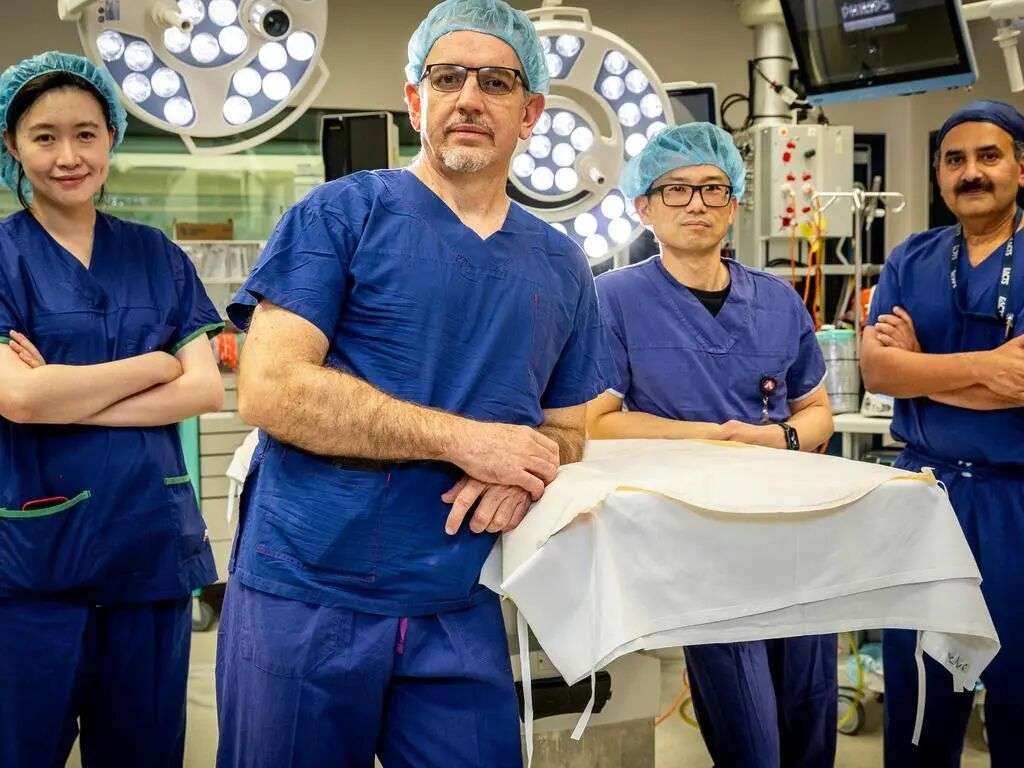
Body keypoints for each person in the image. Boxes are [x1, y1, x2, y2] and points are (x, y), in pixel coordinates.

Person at [214, 1, 607, 766]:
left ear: (530, 115)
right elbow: (270, 389)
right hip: (307, 589)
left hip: (456, 600)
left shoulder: (561, 266)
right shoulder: (341, 216)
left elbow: (568, 426)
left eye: (495, 82)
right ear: (414, 99)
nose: (468, 98)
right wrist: (470, 442)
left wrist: (530, 467)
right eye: (447, 76)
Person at [587, 122, 837, 768]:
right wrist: (713, 438)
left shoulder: (779, 302)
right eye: (675, 190)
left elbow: (816, 413)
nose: (696, 203)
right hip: (698, 543)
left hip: (794, 535)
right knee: (751, 739)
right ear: (643, 206)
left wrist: (775, 437)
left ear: (735, 202)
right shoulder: (613, 300)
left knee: (812, 721)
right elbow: (598, 422)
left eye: (712, 188)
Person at [0, 52, 225, 767]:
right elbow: (17, 395)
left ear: (111, 139)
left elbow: (203, 390)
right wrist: (153, 365)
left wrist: (61, 395)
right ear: (11, 145)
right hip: (33, 566)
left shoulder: (156, 255)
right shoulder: (3, 256)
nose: (68, 156)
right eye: (43, 136)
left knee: (143, 753)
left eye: (86, 134)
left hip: (147, 552)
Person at [861, 99, 1024, 767]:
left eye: (989, 156)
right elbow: (877, 368)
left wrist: (919, 366)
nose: (971, 172)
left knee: (1018, 683)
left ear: (1020, 167)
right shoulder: (912, 256)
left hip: (1015, 502)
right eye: (955, 160)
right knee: (921, 684)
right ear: (938, 175)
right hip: (925, 495)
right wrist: (987, 368)